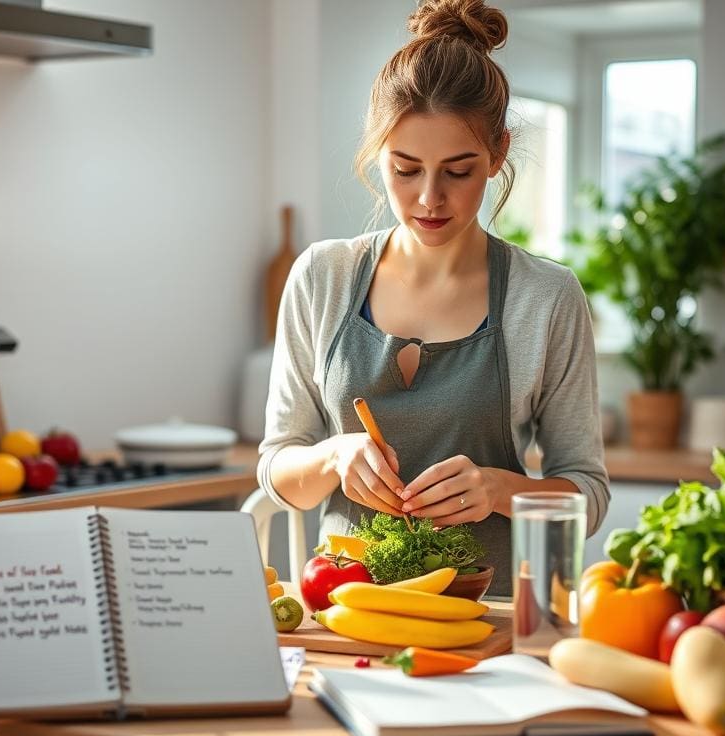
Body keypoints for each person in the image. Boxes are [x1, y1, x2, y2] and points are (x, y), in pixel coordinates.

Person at [257, 0, 608, 597]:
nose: (429, 198)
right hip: (345, 609)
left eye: (459, 170)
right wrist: (334, 459)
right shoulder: (322, 276)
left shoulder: (546, 297)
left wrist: (501, 488)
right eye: (406, 169)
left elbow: (588, 493)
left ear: (498, 153)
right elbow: (278, 470)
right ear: (378, 155)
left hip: (489, 618)